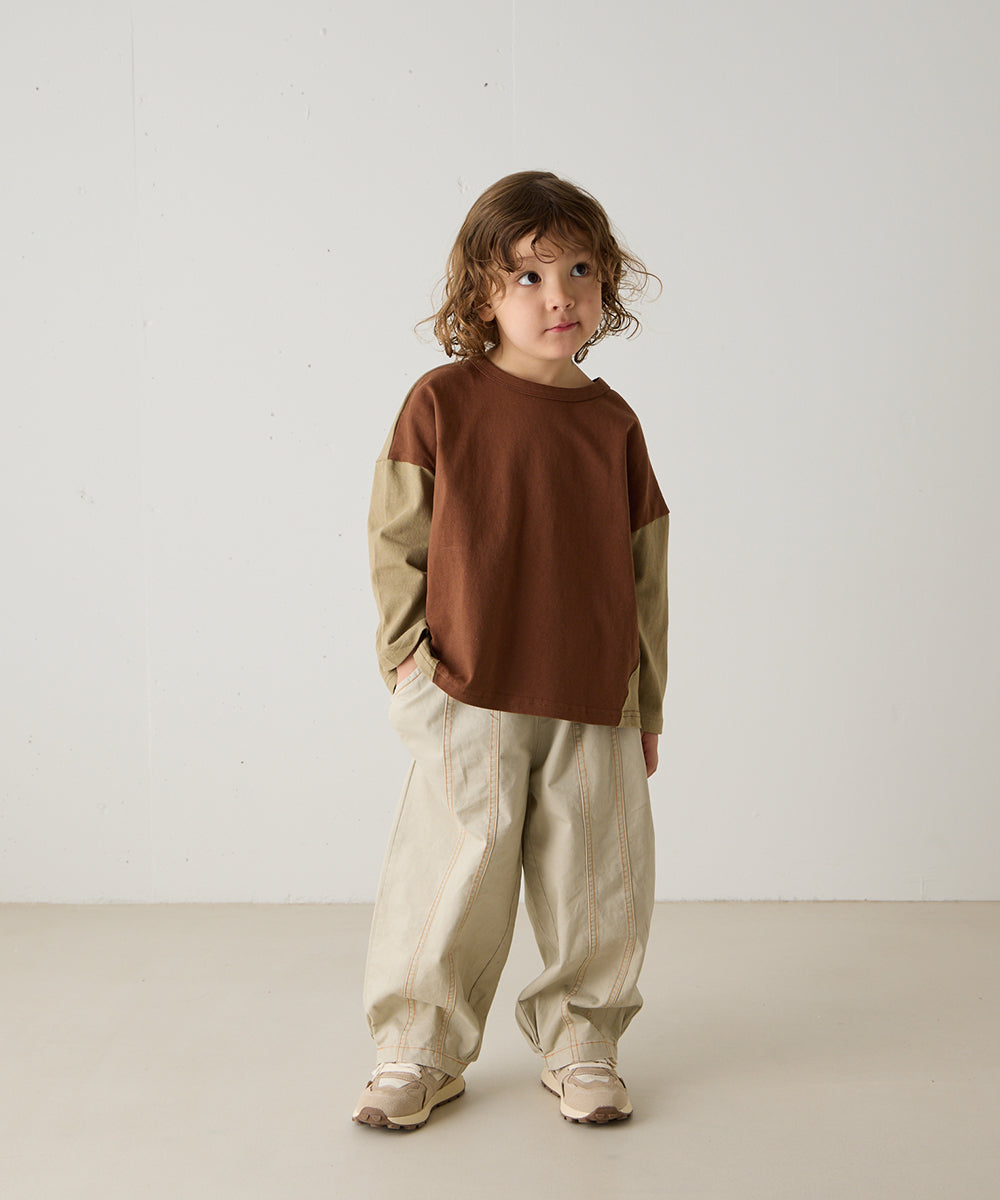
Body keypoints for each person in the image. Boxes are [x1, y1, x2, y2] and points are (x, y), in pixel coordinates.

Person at [353, 170, 669, 1130]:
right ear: (481, 296)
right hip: (468, 685)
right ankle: (417, 1050)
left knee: (597, 881)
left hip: (592, 693)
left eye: (580, 271)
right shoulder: (442, 402)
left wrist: (647, 703)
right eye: (528, 276)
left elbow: (646, 576)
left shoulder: (612, 424)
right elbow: (397, 538)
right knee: (453, 873)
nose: (559, 295)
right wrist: (407, 663)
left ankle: (583, 1045)